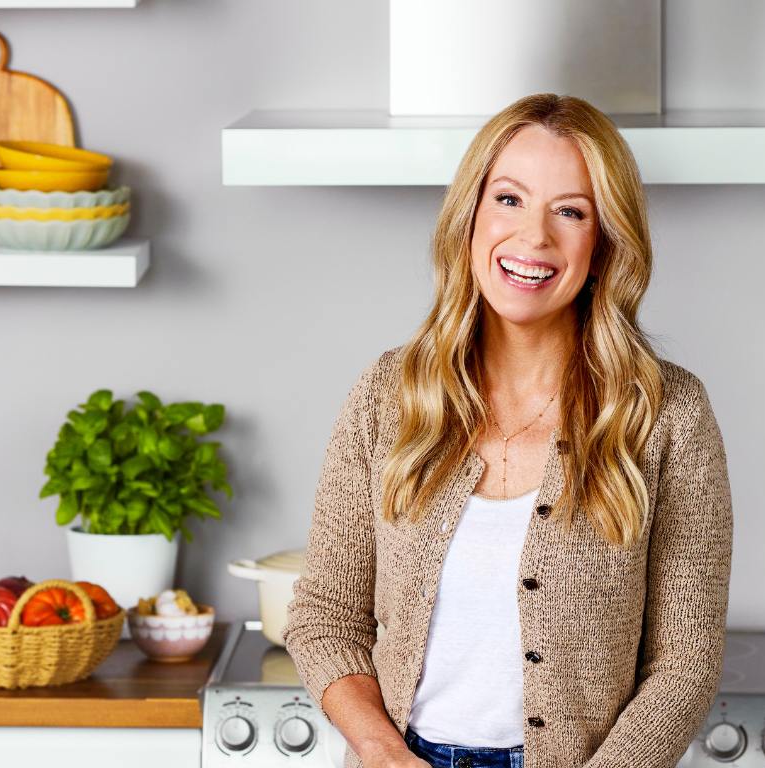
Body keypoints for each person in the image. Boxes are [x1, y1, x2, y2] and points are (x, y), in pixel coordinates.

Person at [283, 93, 735, 768]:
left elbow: (685, 664)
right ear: (470, 216)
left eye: (571, 211)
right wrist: (381, 750)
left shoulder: (667, 414)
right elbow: (325, 615)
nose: (534, 237)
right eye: (509, 199)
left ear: (604, 243)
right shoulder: (388, 395)